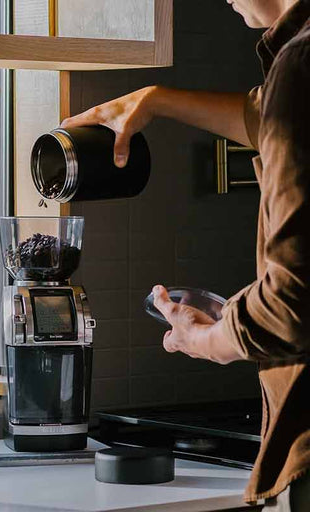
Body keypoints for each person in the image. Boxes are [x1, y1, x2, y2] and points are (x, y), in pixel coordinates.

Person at [61, 0, 310, 509]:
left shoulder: (299, 64)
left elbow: (292, 303)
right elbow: (273, 117)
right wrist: (158, 100)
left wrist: (208, 339)